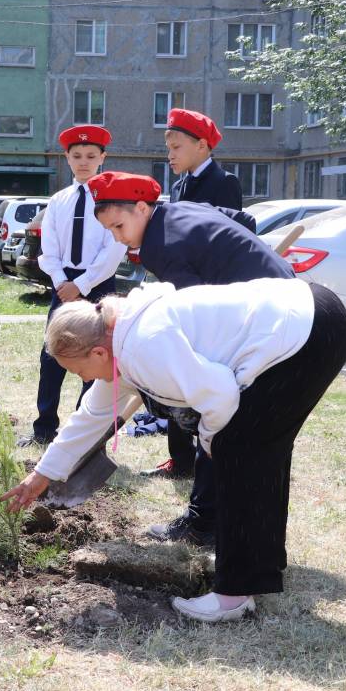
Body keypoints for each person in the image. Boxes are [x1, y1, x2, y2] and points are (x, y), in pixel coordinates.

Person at [1, 276, 346, 623]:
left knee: (239, 451)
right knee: (258, 451)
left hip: (304, 335)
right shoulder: (120, 335)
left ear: (97, 352)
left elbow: (220, 396)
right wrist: (40, 475)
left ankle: (234, 595)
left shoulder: (143, 347)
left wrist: (213, 441)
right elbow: (91, 416)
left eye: (79, 371)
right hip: (309, 312)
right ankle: (257, 564)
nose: (86, 379)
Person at [83, 171, 293, 548]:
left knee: (214, 420)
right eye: (110, 231)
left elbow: (190, 317)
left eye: (119, 225)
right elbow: (243, 221)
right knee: (229, 423)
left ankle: (203, 524)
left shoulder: (162, 244)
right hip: (281, 305)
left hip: (266, 327)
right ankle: (218, 522)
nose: (118, 237)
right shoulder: (180, 212)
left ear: (143, 208)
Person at [147, 108, 251, 483]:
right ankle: (179, 459)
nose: (170, 155)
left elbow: (225, 241)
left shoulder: (225, 183)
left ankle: (206, 455)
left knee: (203, 373)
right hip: (181, 289)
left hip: (211, 292)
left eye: (177, 147)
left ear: (202, 146)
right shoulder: (177, 187)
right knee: (177, 370)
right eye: (168, 147)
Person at [17, 124, 127, 447]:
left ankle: (86, 433)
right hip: (62, 285)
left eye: (91, 156)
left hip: (98, 284)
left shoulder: (111, 202)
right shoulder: (59, 201)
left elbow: (113, 251)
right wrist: (63, 283)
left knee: (97, 356)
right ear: (67, 158)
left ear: (102, 158)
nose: (83, 162)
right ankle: (44, 428)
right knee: (52, 355)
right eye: (77, 156)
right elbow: (47, 252)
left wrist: (81, 284)